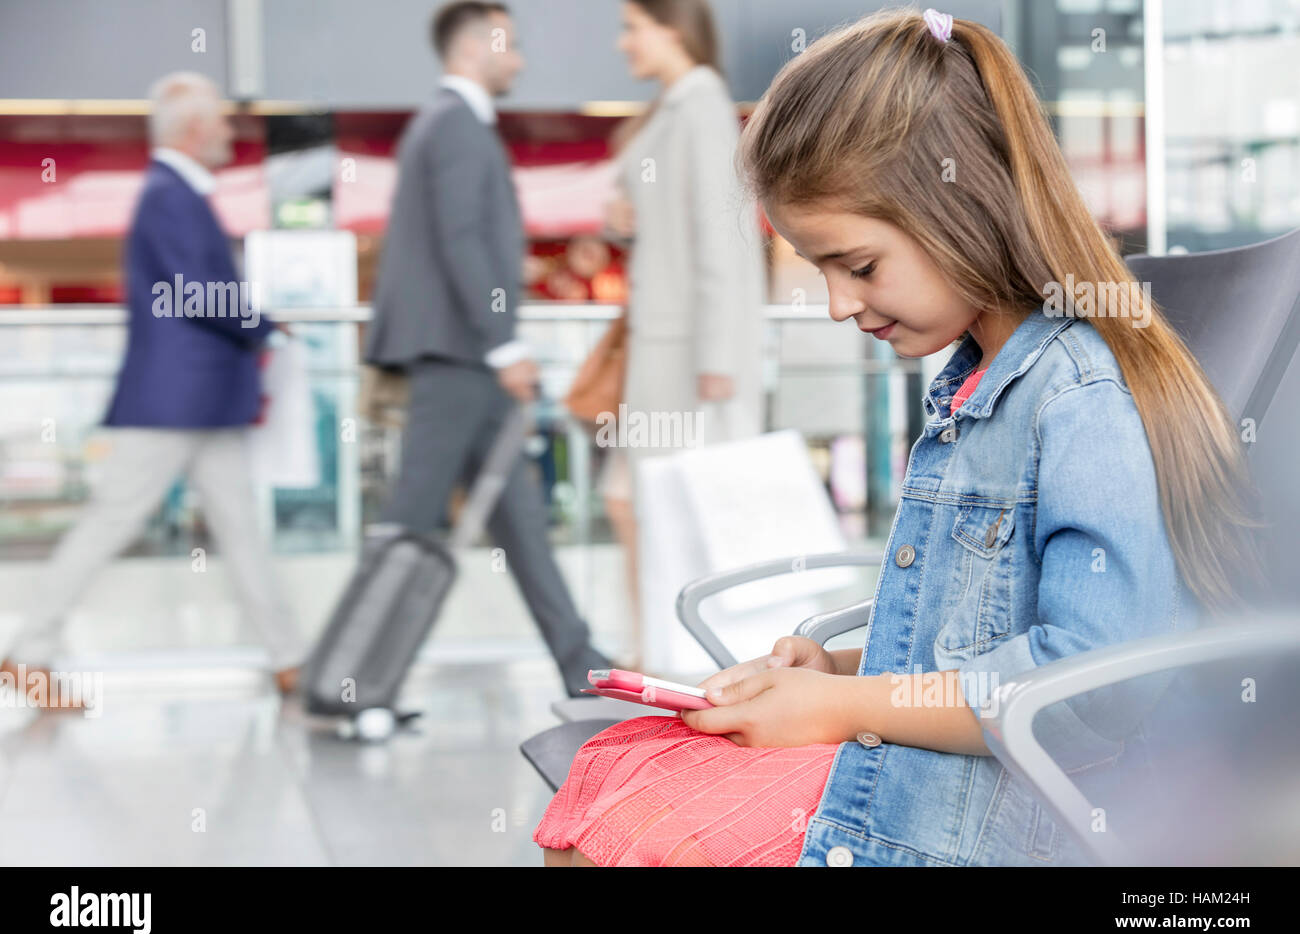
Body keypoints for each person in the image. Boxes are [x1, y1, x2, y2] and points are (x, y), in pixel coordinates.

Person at [534, 8, 1263, 866]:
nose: (841, 305)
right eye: (822, 271)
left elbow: (1088, 693)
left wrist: (845, 708)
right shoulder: (982, 386)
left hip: (1024, 815)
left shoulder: (1079, 401)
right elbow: (982, 627)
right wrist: (837, 673)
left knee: (622, 834)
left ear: (963, 206)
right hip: (970, 777)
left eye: (860, 265)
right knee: (610, 789)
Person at [0, 72, 304, 703]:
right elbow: (194, 291)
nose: (229, 130)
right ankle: (28, 652)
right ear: (194, 131)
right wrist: (262, 327)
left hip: (194, 401)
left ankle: (289, 660)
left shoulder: (174, 193)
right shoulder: (171, 195)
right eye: (221, 120)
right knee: (113, 522)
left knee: (237, 528)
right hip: (178, 402)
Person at [363, 1, 610, 696]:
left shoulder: (447, 125)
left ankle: (579, 664)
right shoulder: (456, 125)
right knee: (411, 522)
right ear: (474, 47)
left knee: (520, 518)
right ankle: (359, 680)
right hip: (459, 359)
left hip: (463, 358)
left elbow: (460, 245)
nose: (522, 60)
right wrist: (505, 345)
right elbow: (462, 240)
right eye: (512, 46)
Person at [597, 0, 767, 666]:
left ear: (672, 28)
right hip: (664, 342)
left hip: (685, 351)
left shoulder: (699, 107)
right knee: (625, 496)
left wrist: (720, 355)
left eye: (632, 27)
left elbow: (723, 238)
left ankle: (674, 653)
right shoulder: (675, 109)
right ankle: (650, 647)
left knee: (663, 503)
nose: (622, 44)